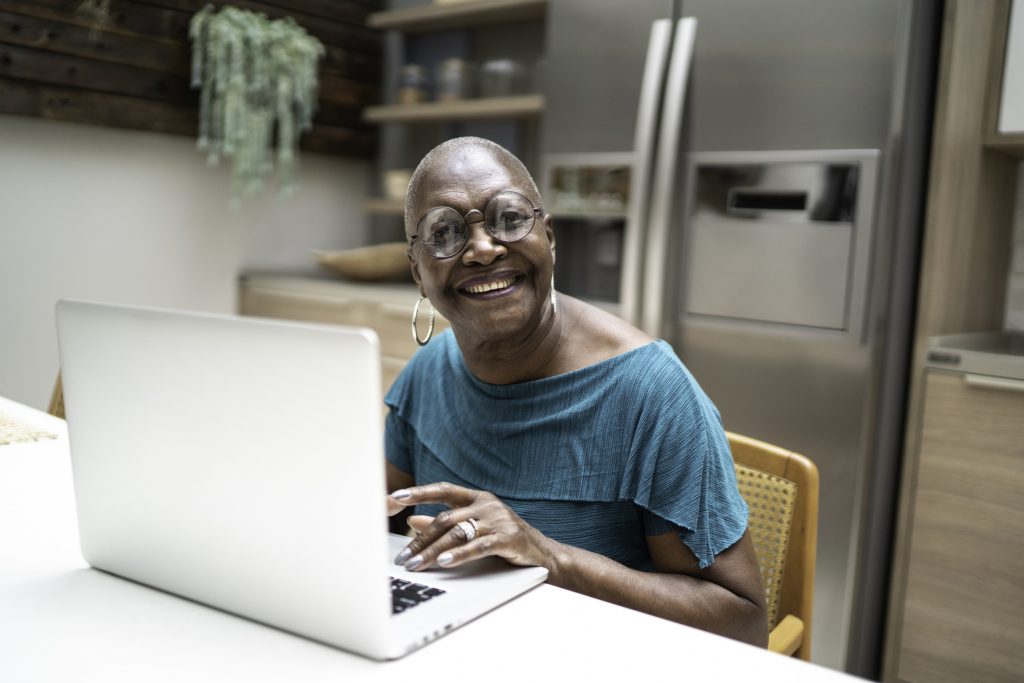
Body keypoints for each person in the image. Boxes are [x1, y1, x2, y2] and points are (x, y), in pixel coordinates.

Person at [384, 136, 768, 646]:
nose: (482, 248)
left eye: (509, 219)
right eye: (444, 233)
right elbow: (377, 524)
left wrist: (549, 556)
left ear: (548, 236)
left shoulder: (650, 393)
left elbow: (744, 626)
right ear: (418, 272)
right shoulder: (427, 374)